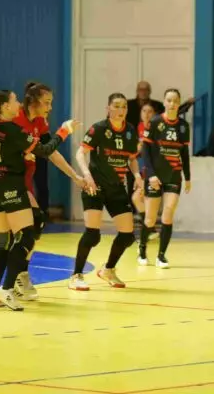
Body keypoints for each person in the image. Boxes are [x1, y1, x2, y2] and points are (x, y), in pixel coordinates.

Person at [0, 90, 81, 310]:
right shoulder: (13, 129)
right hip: (10, 187)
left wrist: (19, 154)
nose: (17, 103)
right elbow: (45, 150)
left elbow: (1, 149)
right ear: (5, 107)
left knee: (5, 240)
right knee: (26, 236)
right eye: (14, 100)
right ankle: (9, 287)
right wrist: (64, 131)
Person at [11, 82, 83, 301]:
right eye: (47, 102)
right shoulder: (15, 118)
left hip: (25, 181)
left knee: (35, 224)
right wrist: (64, 131)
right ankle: (9, 282)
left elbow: (51, 153)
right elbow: (40, 149)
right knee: (19, 233)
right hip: (8, 180)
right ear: (33, 101)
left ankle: (19, 274)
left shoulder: (40, 122)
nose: (50, 107)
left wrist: (75, 176)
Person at [69, 93, 143, 291]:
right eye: (116, 106)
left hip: (116, 187)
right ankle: (76, 275)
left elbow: (132, 159)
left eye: (124, 106)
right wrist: (86, 175)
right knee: (93, 235)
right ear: (108, 109)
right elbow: (80, 152)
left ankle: (108, 269)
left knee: (127, 236)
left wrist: (137, 175)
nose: (121, 110)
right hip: (95, 186)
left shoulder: (130, 131)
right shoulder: (99, 128)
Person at [138, 89, 192, 268]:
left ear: (179, 103)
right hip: (155, 176)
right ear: (164, 102)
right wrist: (151, 175)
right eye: (169, 100)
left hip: (173, 176)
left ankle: (161, 255)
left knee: (168, 213)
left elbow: (184, 153)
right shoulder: (155, 122)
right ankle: (142, 249)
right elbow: (145, 151)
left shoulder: (183, 126)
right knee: (150, 219)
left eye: (175, 101)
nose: (172, 104)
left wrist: (188, 177)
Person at [132, 102, 158, 241]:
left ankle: (150, 229)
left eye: (150, 111)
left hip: (154, 170)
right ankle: (151, 229)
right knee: (137, 198)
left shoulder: (157, 127)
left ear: (155, 114)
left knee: (139, 198)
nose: (147, 114)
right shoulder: (140, 127)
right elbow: (137, 153)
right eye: (144, 111)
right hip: (144, 170)